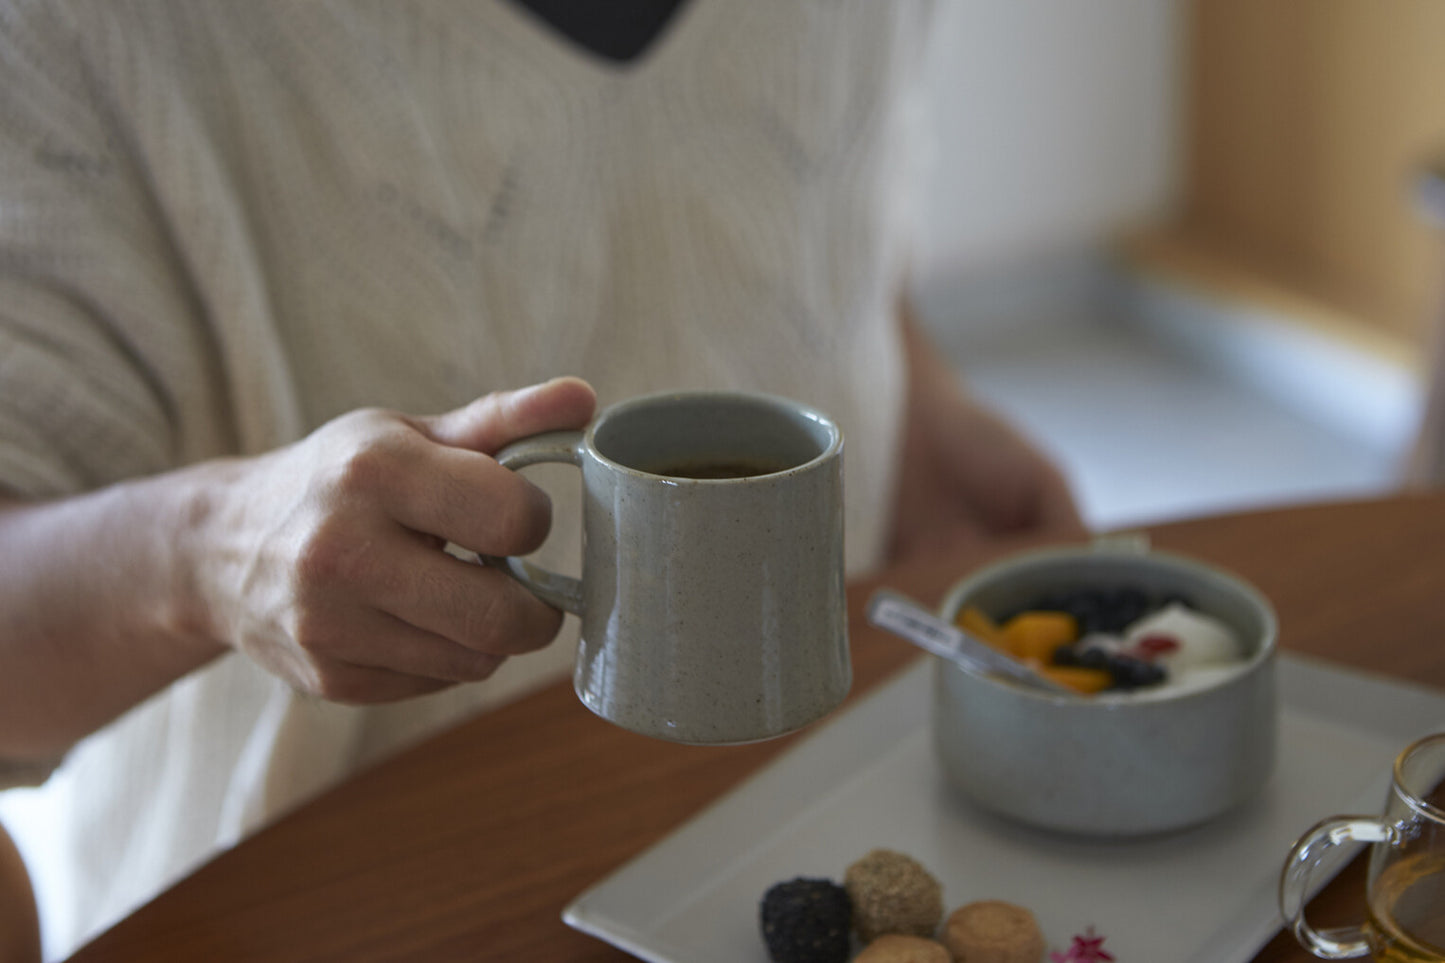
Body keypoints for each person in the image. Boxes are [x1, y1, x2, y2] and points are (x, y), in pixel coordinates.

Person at [0, 1, 1083, 956]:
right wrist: (207, 550)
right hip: (321, 905)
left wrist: (922, 404)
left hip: (785, 829)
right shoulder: (84, 34)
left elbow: (836, 215)